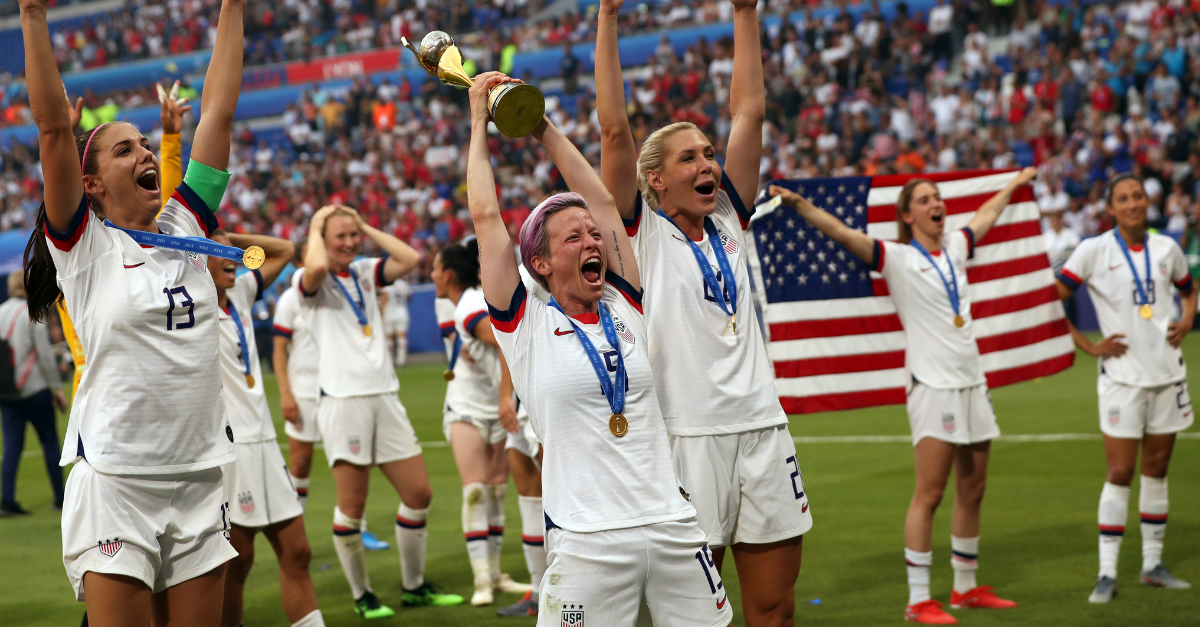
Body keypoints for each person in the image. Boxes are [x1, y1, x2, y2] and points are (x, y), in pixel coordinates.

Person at [466, 71, 732, 627]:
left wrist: (540, 126)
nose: (592, 242)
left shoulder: (625, 304)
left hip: (674, 525)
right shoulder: (525, 327)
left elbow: (606, 204)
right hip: (587, 541)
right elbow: (487, 220)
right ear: (539, 262)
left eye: (593, 237)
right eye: (573, 238)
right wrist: (477, 125)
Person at [20, 0, 246, 620]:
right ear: (91, 183)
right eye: (124, 151)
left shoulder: (188, 230)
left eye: (145, 144)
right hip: (118, 482)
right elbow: (51, 130)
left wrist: (232, 7)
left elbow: (218, 112)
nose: (145, 153)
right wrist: (33, 14)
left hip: (201, 473)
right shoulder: (86, 249)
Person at [595, 1, 810, 625]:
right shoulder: (639, 234)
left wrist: (746, 13)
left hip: (763, 427)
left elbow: (751, 110)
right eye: (688, 158)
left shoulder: (728, 218)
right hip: (685, 436)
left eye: (709, 154)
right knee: (692, 615)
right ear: (654, 180)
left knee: (775, 608)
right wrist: (608, 15)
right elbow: (614, 131)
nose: (708, 165)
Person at [770, 167, 1037, 624]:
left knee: (974, 488)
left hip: (973, 382)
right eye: (926, 199)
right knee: (929, 493)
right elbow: (841, 232)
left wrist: (1014, 186)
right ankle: (917, 601)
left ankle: (966, 589)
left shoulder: (956, 246)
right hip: (932, 387)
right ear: (908, 215)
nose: (938, 204)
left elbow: (988, 215)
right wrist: (799, 205)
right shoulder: (895, 257)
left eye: (939, 197)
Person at [300, 204, 463, 618]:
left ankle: (414, 587)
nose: (350, 243)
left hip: (385, 396)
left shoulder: (364, 271)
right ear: (322, 239)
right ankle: (362, 595)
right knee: (352, 505)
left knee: (418, 493)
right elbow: (316, 266)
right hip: (343, 400)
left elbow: (409, 259)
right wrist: (321, 226)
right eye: (342, 237)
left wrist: (364, 224)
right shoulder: (310, 282)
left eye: (352, 236)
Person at [1055, 173, 1196, 603]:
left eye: (1138, 196)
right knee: (1119, 473)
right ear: (1111, 207)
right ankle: (1106, 573)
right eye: (1123, 198)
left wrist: (1188, 318)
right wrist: (1086, 344)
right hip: (1121, 379)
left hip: (1167, 374)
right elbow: (1052, 298)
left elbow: (1189, 290)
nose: (1133, 203)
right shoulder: (1092, 250)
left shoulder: (1166, 248)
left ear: (1146, 201)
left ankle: (1152, 566)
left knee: (1157, 471)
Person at [207, 231, 325, 627]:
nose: (231, 258)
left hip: (266, 442)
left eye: (231, 253)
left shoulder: (239, 291)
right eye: (218, 251)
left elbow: (285, 251)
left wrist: (227, 236)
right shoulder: (190, 304)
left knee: (298, 551)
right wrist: (201, 238)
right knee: (237, 563)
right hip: (230, 448)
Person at [431, 239, 530, 606]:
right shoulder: (469, 304)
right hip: (467, 408)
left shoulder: (469, 305)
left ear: (449, 275)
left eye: (435, 268)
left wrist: (505, 395)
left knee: (496, 492)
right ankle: (482, 580)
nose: (430, 275)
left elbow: (505, 343)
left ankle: (494, 572)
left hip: (500, 407)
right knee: (476, 490)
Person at [0, 271, 68, 516]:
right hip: (34, 388)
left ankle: (7, 499)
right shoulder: (32, 313)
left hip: (7, 392)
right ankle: (60, 497)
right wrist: (57, 388)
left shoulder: (1, 311)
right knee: (49, 441)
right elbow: (45, 355)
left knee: (11, 447)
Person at [273, 241, 321, 512]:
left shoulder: (335, 292)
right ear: (300, 264)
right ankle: (297, 524)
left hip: (338, 391)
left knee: (349, 461)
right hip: (303, 393)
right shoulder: (290, 299)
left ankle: (356, 526)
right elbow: (280, 351)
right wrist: (286, 394)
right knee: (301, 463)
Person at [381, 278, 411, 368]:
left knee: (389, 338)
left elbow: (384, 300)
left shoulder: (386, 285)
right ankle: (401, 361)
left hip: (389, 314)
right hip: (402, 312)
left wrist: (381, 314)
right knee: (401, 337)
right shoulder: (403, 284)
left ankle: (390, 361)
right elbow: (409, 297)